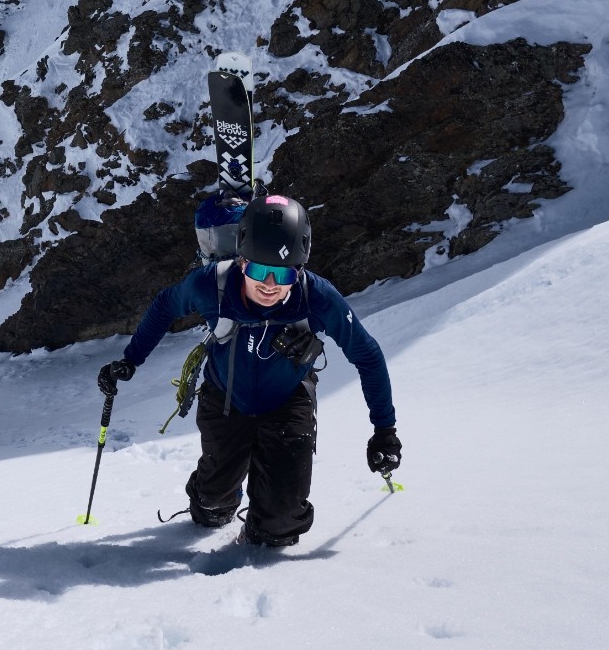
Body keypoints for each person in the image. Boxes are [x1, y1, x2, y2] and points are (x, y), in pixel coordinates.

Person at [97, 194, 400, 548]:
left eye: (284, 272)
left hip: (287, 401)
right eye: (259, 269)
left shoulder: (317, 298)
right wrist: (131, 360)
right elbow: (165, 306)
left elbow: (368, 355)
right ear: (241, 261)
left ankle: (258, 526)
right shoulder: (211, 285)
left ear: (299, 269)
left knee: (280, 526)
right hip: (225, 399)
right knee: (212, 505)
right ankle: (218, 492)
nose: (270, 284)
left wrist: (384, 430)